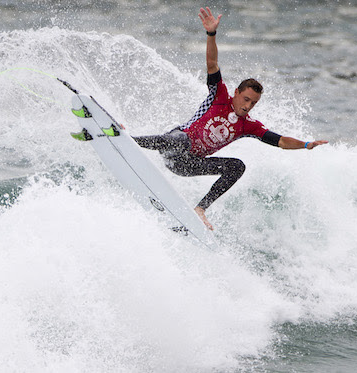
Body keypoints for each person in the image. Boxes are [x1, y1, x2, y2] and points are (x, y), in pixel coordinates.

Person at [134, 7, 328, 230]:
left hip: (187, 165)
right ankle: (127, 140)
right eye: (245, 99)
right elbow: (212, 63)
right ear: (236, 92)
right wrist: (211, 34)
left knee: (237, 166)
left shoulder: (248, 126)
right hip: (173, 146)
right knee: (181, 139)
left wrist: (305, 145)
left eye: (253, 103)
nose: (247, 106)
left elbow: (281, 141)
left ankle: (200, 209)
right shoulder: (219, 95)